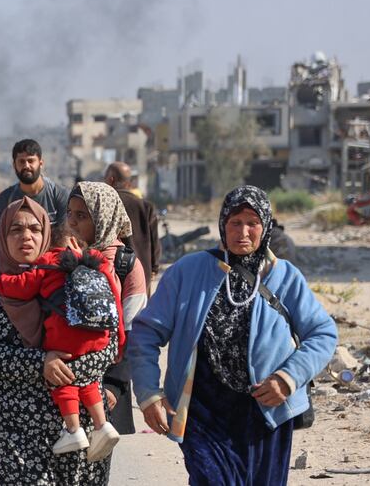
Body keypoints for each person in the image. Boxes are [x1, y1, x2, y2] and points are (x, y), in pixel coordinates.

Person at [127, 185, 337, 485]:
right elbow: (146, 333)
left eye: (253, 223)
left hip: (267, 413)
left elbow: (322, 333)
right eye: (235, 222)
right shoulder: (187, 271)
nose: (243, 232)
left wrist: (288, 379)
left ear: (266, 226)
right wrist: (148, 394)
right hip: (203, 411)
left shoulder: (285, 277)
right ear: (222, 224)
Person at [0, 197, 114, 484]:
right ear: (3, 236)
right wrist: (40, 363)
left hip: (85, 429)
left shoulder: (78, 278)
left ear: (46, 234)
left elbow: (108, 342)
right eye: (16, 229)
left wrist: (67, 367)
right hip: (18, 431)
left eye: (35, 229)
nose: (26, 236)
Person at [0, 224, 121, 460]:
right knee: (88, 380)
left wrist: (0, 282)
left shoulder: (48, 261)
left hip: (65, 338)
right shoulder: (97, 262)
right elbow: (115, 301)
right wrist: (120, 338)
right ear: (76, 243)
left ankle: (73, 430)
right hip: (99, 334)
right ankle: (102, 425)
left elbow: (22, 286)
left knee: (63, 379)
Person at [66, 181, 147, 466]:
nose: (72, 222)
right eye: (70, 213)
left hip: (106, 383)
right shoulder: (61, 256)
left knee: (94, 467)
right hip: (63, 381)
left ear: (103, 218)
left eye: (82, 216)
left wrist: (114, 384)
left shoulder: (126, 266)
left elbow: (135, 330)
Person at [0, 139, 69, 250]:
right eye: (21, 162)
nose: (26, 166)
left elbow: (65, 235)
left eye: (31, 161)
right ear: (14, 165)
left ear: (41, 163)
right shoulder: (7, 198)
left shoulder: (58, 195)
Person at [105, 162, 160, 295]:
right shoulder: (146, 206)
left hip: (112, 275)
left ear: (110, 180)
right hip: (142, 275)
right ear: (129, 182)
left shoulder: (106, 204)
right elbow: (154, 242)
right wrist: (154, 268)